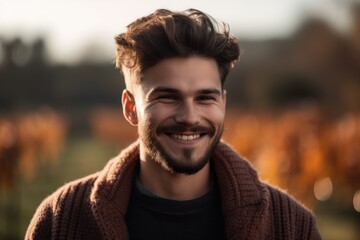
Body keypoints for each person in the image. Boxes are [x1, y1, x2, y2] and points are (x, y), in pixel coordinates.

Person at [26, 9, 321, 239]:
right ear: (130, 108)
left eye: (205, 98)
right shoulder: (60, 220)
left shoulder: (292, 226)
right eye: (168, 97)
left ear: (224, 104)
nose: (190, 117)